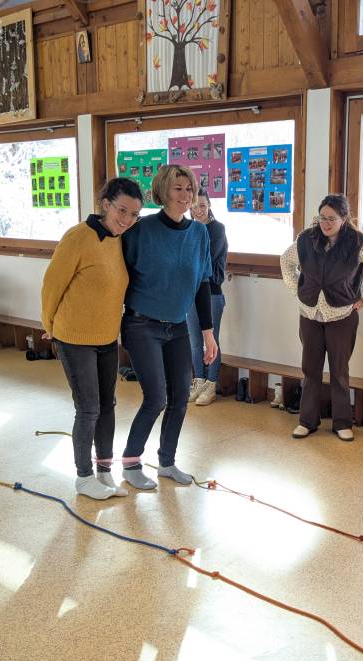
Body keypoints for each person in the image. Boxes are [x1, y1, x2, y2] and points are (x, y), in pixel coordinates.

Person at [40, 178, 143, 500]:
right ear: (105, 204)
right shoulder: (78, 237)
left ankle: (103, 471)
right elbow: (51, 285)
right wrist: (50, 326)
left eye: (134, 215)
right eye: (121, 210)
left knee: (107, 406)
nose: (126, 220)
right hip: (73, 336)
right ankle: (83, 478)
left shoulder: (120, 240)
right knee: (88, 408)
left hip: (106, 338)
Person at [119, 164, 217, 489]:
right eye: (178, 188)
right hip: (141, 324)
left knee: (179, 398)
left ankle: (167, 462)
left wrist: (207, 332)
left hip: (177, 326)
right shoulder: (141, 230)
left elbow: (202, 284)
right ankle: (131, 464)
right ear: (162, 191)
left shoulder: (199, 234)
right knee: (155, 398)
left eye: (189, 189)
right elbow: (118, 277)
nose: (185, 195)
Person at [280, 193, 363, 442]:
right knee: (310, 369)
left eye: (332, 218)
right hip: (309, 312)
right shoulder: (306, 240)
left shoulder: (358, 243)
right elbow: (286, 262)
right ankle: (307, 421)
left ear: (344, 218)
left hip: (342, 314)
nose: (326, 223)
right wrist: (295, 289)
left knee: (339, 370)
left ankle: (342, 422)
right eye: (322, 217)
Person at [186, 189, 228, 406]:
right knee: (194, 342)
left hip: (211, 294)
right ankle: (199, 381)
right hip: (190, 295)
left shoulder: (217, 229)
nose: (198, 210)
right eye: (194, 206)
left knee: (211, 342)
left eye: (202, 205)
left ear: (209, 205)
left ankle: (211, 385)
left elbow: (206, 262)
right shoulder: (187, 227)